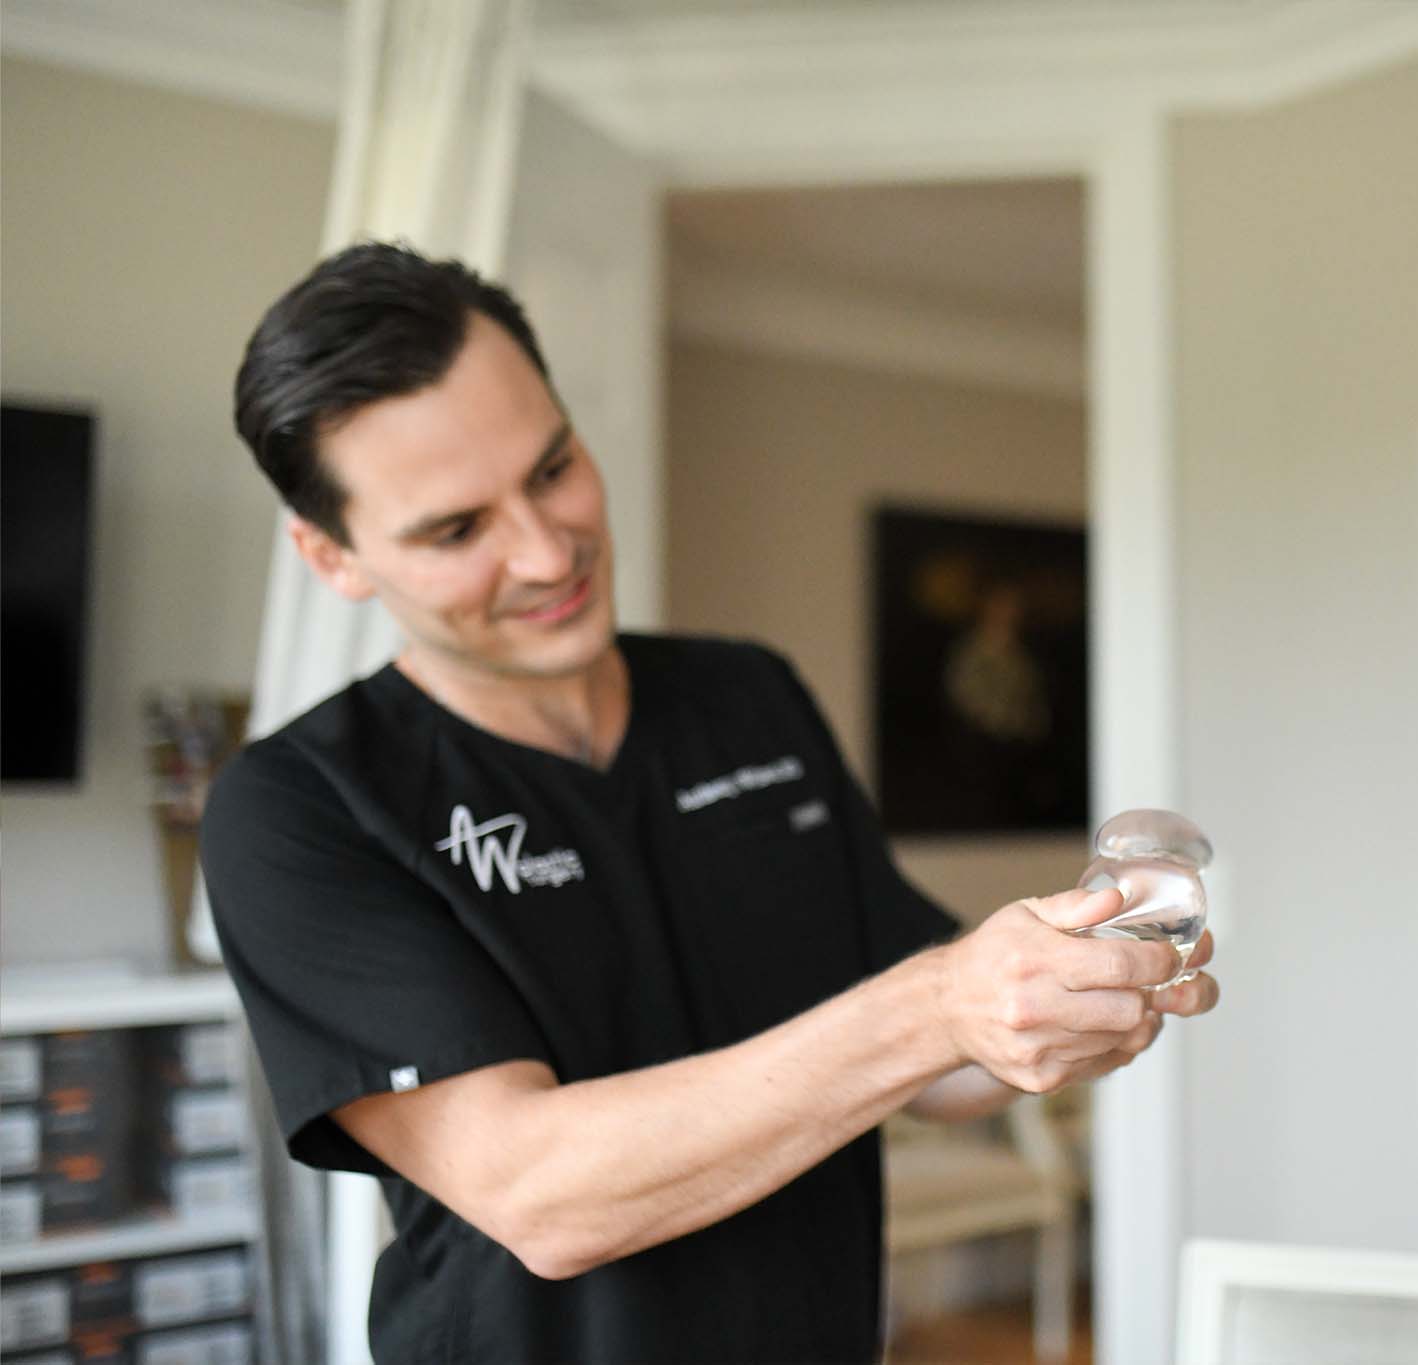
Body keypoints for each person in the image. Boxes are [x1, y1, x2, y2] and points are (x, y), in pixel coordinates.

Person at [199, 242, 1219, 1363]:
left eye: (552, 468)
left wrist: (1066, 997)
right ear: (333, 555)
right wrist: (938, 1005)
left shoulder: (746, 697)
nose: (546, 552)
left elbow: (936, 1065)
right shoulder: (302, 806)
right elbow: (541, 1195)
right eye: (457, 530)